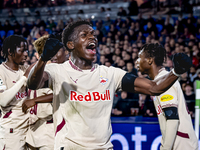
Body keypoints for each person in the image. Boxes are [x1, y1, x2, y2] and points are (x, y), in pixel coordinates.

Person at [27, 20, 192, 150]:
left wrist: (176, 72)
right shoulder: (57, 71)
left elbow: (154, 88)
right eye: (84, 34)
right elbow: (33, 84)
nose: (92, 37)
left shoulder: (110, 74)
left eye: (93, 34)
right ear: (70, 45)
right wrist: (43, 59)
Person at [136, 43, 198, 150]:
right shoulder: (162, 79)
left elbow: (172, 119)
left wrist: (165, 148)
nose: (137, 61)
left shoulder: (164, 81)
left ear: (150, 60)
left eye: (139, 57)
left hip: (181, 145)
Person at [22, 34, 69, 150]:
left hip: (38, 129)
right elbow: (58, 93)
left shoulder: (33, 69)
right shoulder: (50, 71)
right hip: (45, 129)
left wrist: (34, 100)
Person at [0, 35, 34, 149]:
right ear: (10, 51)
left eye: (26, 50)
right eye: (22, 50)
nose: (26, 53)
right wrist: (23, 79)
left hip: (29, 128)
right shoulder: (1, 71)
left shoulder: (24, 68)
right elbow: (3, 101)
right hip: (12, 131)